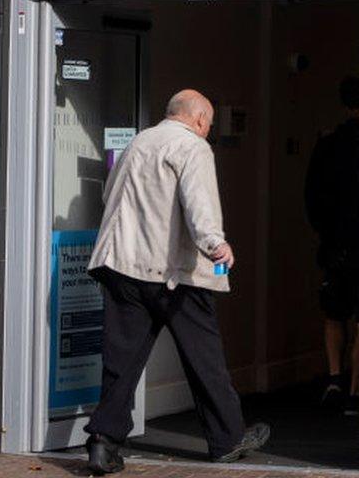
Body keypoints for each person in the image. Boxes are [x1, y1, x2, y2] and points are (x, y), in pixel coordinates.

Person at [84, 89, 269, 474]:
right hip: (171, 273)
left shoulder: (138, 142)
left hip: (121, 265)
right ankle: (228, 439)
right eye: (209, 125)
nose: (208, 132)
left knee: (122, 361)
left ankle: (103, 443)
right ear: (199, 119)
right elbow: (199, 203)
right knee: (204, 358)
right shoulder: (193, 148)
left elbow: (109, 195)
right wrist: (216, 244)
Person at [304, 77, 359, 415]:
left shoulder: (328, 143)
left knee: (333, 312)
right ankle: (356, 391)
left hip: (335, 243)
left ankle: (333, 378)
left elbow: (311, 196)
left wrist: (325, 231)